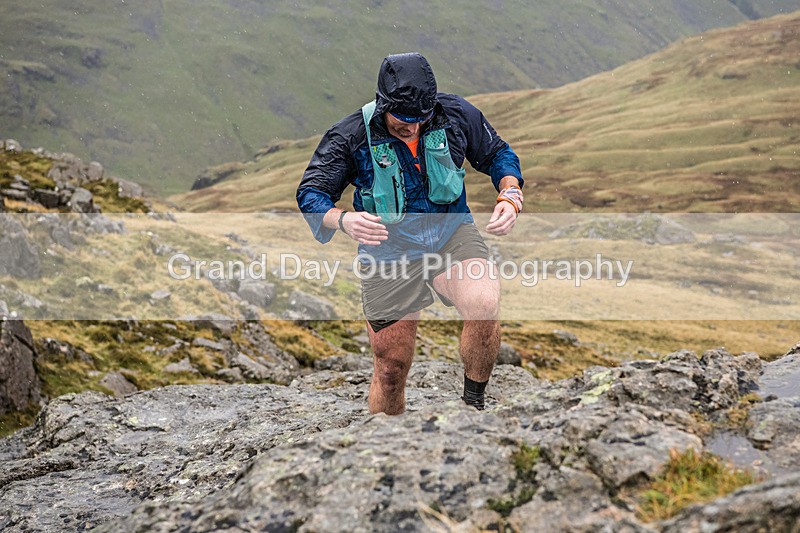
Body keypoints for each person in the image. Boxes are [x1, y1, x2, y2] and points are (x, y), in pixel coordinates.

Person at [296, 52, 523, 414]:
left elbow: (497, 153)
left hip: (451, 233)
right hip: (389, 251)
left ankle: (473, 407)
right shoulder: (350, 134)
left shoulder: (454, 114)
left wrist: (510, 193)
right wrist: (342, 220)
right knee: (390, 369)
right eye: (403, 120)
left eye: (421, 119)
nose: (413, 128)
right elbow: (311, 193)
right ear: (383, 105)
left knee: (483, 303)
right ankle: (386, 447)